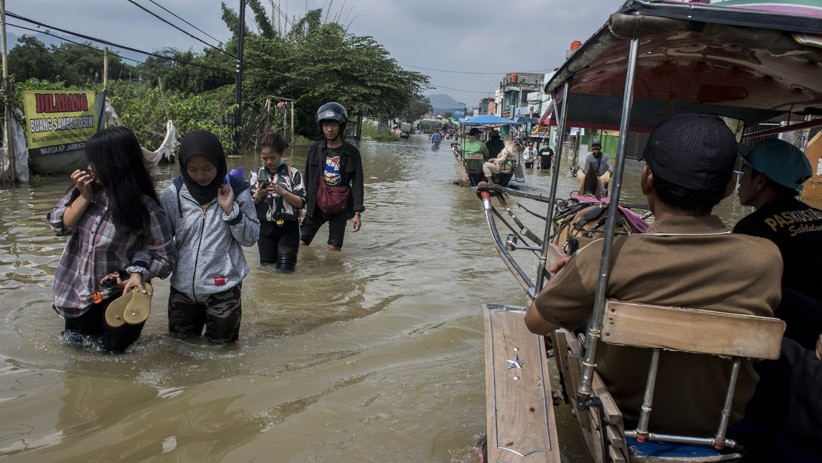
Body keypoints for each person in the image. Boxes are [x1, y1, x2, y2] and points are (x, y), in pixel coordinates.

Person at [524, 113, 783, 436]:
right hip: (722, 427)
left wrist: (574, 277)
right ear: (730, 187)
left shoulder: (604, 256)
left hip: (625, 422)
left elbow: (535, 322)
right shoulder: (767, 258)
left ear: (647, 178)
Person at [730, 139, 822, 459]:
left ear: (761, 181)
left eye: (746, 172)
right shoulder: (819, 218)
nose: (740, 179)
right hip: (812, 361)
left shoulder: (752, 228)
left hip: (771, 360)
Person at [48, 126, 176, 353]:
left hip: (117, 296)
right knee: (77, 360)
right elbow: (60, 225)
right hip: (78, 296)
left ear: (117, 162)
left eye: (95, 161)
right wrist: (84, 197)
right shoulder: (84, 192)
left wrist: (138, 275)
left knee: (115, 359)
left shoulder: (145, 208)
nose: (89, 167)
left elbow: (165, 256)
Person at [160, 129, 260, 343]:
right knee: (180, 350)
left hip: (224, 290)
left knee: (223, 355)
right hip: (182, 291)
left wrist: (231, 212)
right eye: (193, 169)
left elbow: (251, 237)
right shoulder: (173, 194)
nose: (200, 175)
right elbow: (161, 242)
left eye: (207, 168)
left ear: (219, 162)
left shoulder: (237, 191)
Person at [300, 102, 365, 251]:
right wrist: (301, 204)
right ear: (321, 127)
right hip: (316, 205)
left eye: (333, 125)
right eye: (326, 125)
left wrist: (357, 213)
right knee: (301, 243)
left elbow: (357, 183)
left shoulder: (352, 153)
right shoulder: (315, 149)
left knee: (334, 249)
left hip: (340, 206)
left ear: (340, 126)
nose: (329, 129)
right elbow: (307, 177)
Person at [250, 131, 306, 272]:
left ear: (281, 154)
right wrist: (257, 195)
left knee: (286, 270)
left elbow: (301, 202)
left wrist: (284, 192)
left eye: (272, 158)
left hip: (288, 228)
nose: (269, 162)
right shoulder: (256, 174)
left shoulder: (293, 173)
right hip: (264, 229)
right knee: (266, 270)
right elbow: (247, 205)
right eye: (265, 158)